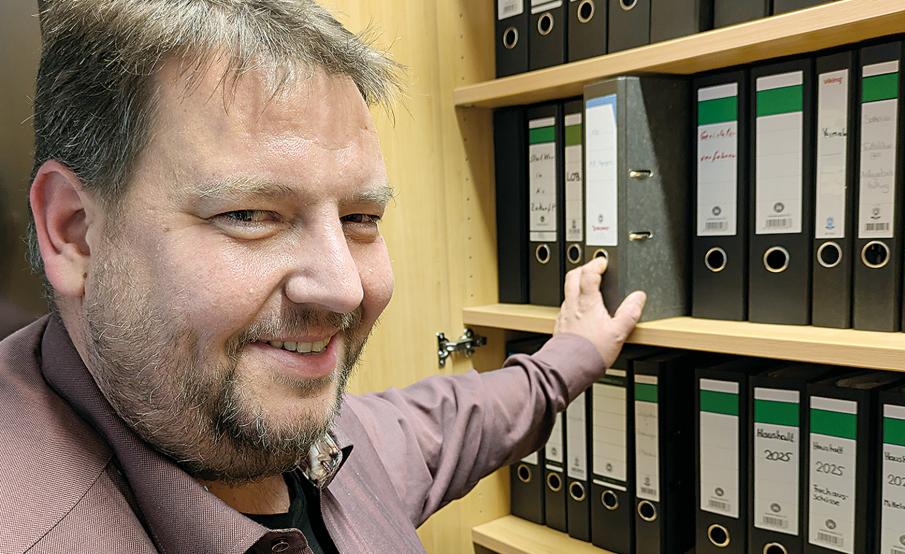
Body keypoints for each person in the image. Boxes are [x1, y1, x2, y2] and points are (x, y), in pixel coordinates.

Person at [0, 1, 646, 553]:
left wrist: (569, 357)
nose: (345, 288)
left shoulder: (297, 446)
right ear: (75, 231)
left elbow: (444, 422)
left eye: (362, 217)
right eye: (251, 215)